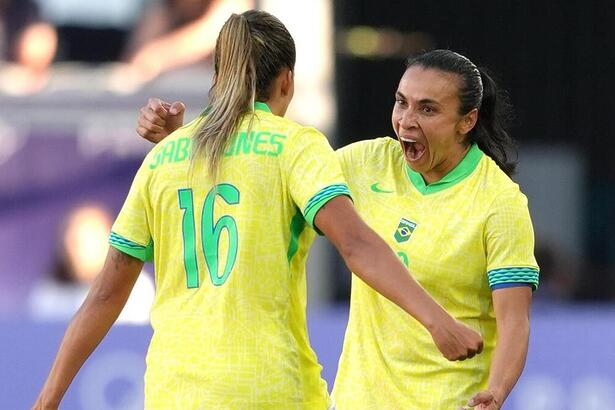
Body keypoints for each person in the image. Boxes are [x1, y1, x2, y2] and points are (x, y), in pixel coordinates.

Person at [33, 13, 482, 410]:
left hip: (175, 393)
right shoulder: (295, 145)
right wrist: (438, 322)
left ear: (218, 75)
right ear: (286, 80)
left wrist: (47, 399)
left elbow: (106, 295)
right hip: (267, 390)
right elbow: (356, 244)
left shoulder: (165, 156)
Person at [137, 49, 539, 409]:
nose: (407, 121)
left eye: (427, 109)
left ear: (467, 121)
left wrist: (497, 392)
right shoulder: (365, 163)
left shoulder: (498, 202)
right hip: (356, 401)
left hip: (448, 401)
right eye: (401, 103)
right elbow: (265, 166)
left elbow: (514, 322)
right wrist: (182, 139)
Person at [27, 203, 154, 324]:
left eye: (81, 243)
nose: (73, 252)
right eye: (70, 243)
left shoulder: (137, 287)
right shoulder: (47, 296)